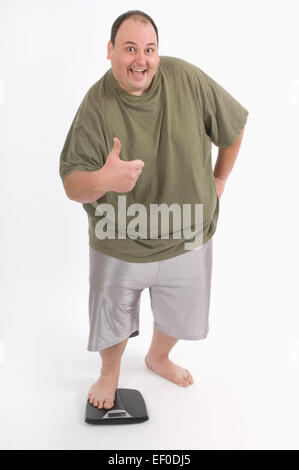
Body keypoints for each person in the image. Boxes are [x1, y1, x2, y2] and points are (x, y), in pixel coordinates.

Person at [59, 10, 248, 411]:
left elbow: (234, 126)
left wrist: (218, 182)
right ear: (110, 51)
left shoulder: (187, 79)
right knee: (113, 320)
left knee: (182, 314)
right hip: (120, 241)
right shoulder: (96, 103)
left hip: (188, 235)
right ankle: (109, 373)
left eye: (149, 50)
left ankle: (157, 357)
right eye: (129, 49)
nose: (140, 60)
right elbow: (72, 183)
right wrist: (104, 181)